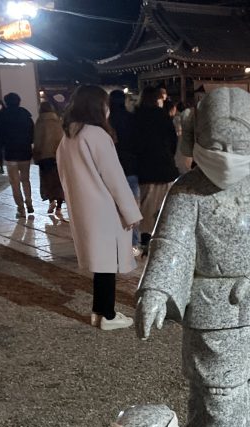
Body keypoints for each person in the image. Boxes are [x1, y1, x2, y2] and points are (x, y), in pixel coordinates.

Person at [57, 84, 142, 331]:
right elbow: (114, 177)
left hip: (83, 207)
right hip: (104, 207)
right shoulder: (96, 135)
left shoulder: (68, 136)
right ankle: (107, 314)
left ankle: (100, 311)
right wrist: (131, 212)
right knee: (107, 263)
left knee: (101, 263)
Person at [134, 86, 178, 248]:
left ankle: (145, 237)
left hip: (144, 167)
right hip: (164, 166)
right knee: (162, 205)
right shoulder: (163, 116)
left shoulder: (136, 117)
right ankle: (161, 236)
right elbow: (173, 140)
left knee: (145, 204)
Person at [109, 89, 142, 249]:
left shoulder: (106, 122)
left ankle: (118, 240)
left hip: (112, 168)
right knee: (132, 204)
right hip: (131, 167)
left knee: (114, 206)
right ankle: (134, 242)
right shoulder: (133, 119)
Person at [0, 92, 35, 218]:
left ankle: (21, 208)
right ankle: (29, 201)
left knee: (14, 182)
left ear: (6, 102)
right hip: (25, 152)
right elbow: (32, 133)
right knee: (25, 179)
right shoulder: (26, 115)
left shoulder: (2, 116)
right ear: (19, 101)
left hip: (10, 153)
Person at [33, 102, 65, 214]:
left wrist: (36, 154)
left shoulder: (39, 122)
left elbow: (36, 140)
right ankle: (59, 207)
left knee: (47, 180)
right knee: (59, 181)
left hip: (43, 156)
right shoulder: (58, 122)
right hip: (57, 156)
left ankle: (51, 201)